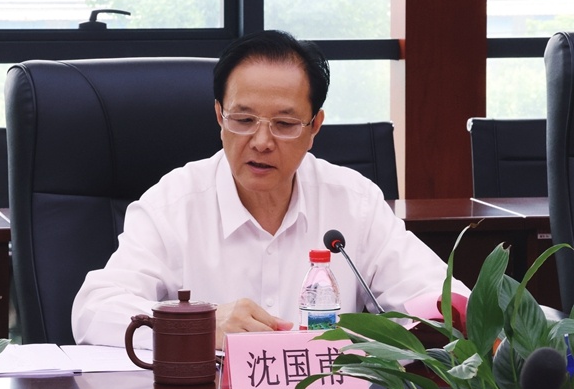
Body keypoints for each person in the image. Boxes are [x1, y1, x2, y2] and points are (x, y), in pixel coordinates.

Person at [71, 29, 469, 350]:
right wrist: (197, 326)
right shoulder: (172, 205)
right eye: (243, 120)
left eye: (285, 124)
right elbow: (94, 310)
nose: (261, 142)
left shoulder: (353, 202)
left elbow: (440, 299)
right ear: (219, 116)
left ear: (314, 127)